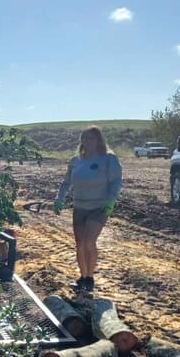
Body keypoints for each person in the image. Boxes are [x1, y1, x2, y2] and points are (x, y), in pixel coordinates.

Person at [53, 125, 122, 292]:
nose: (87, 141)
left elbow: (116, 181)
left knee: (89, 241)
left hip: (99, 207)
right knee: (79, 244)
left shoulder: (108, 159)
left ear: (99, 140)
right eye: (84, 138)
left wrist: (111, 200)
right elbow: (66, 182)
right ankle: (82, 277)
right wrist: (59, 197)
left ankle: (90, 278)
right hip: (79, 206)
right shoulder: (76, 161)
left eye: (91, 138)